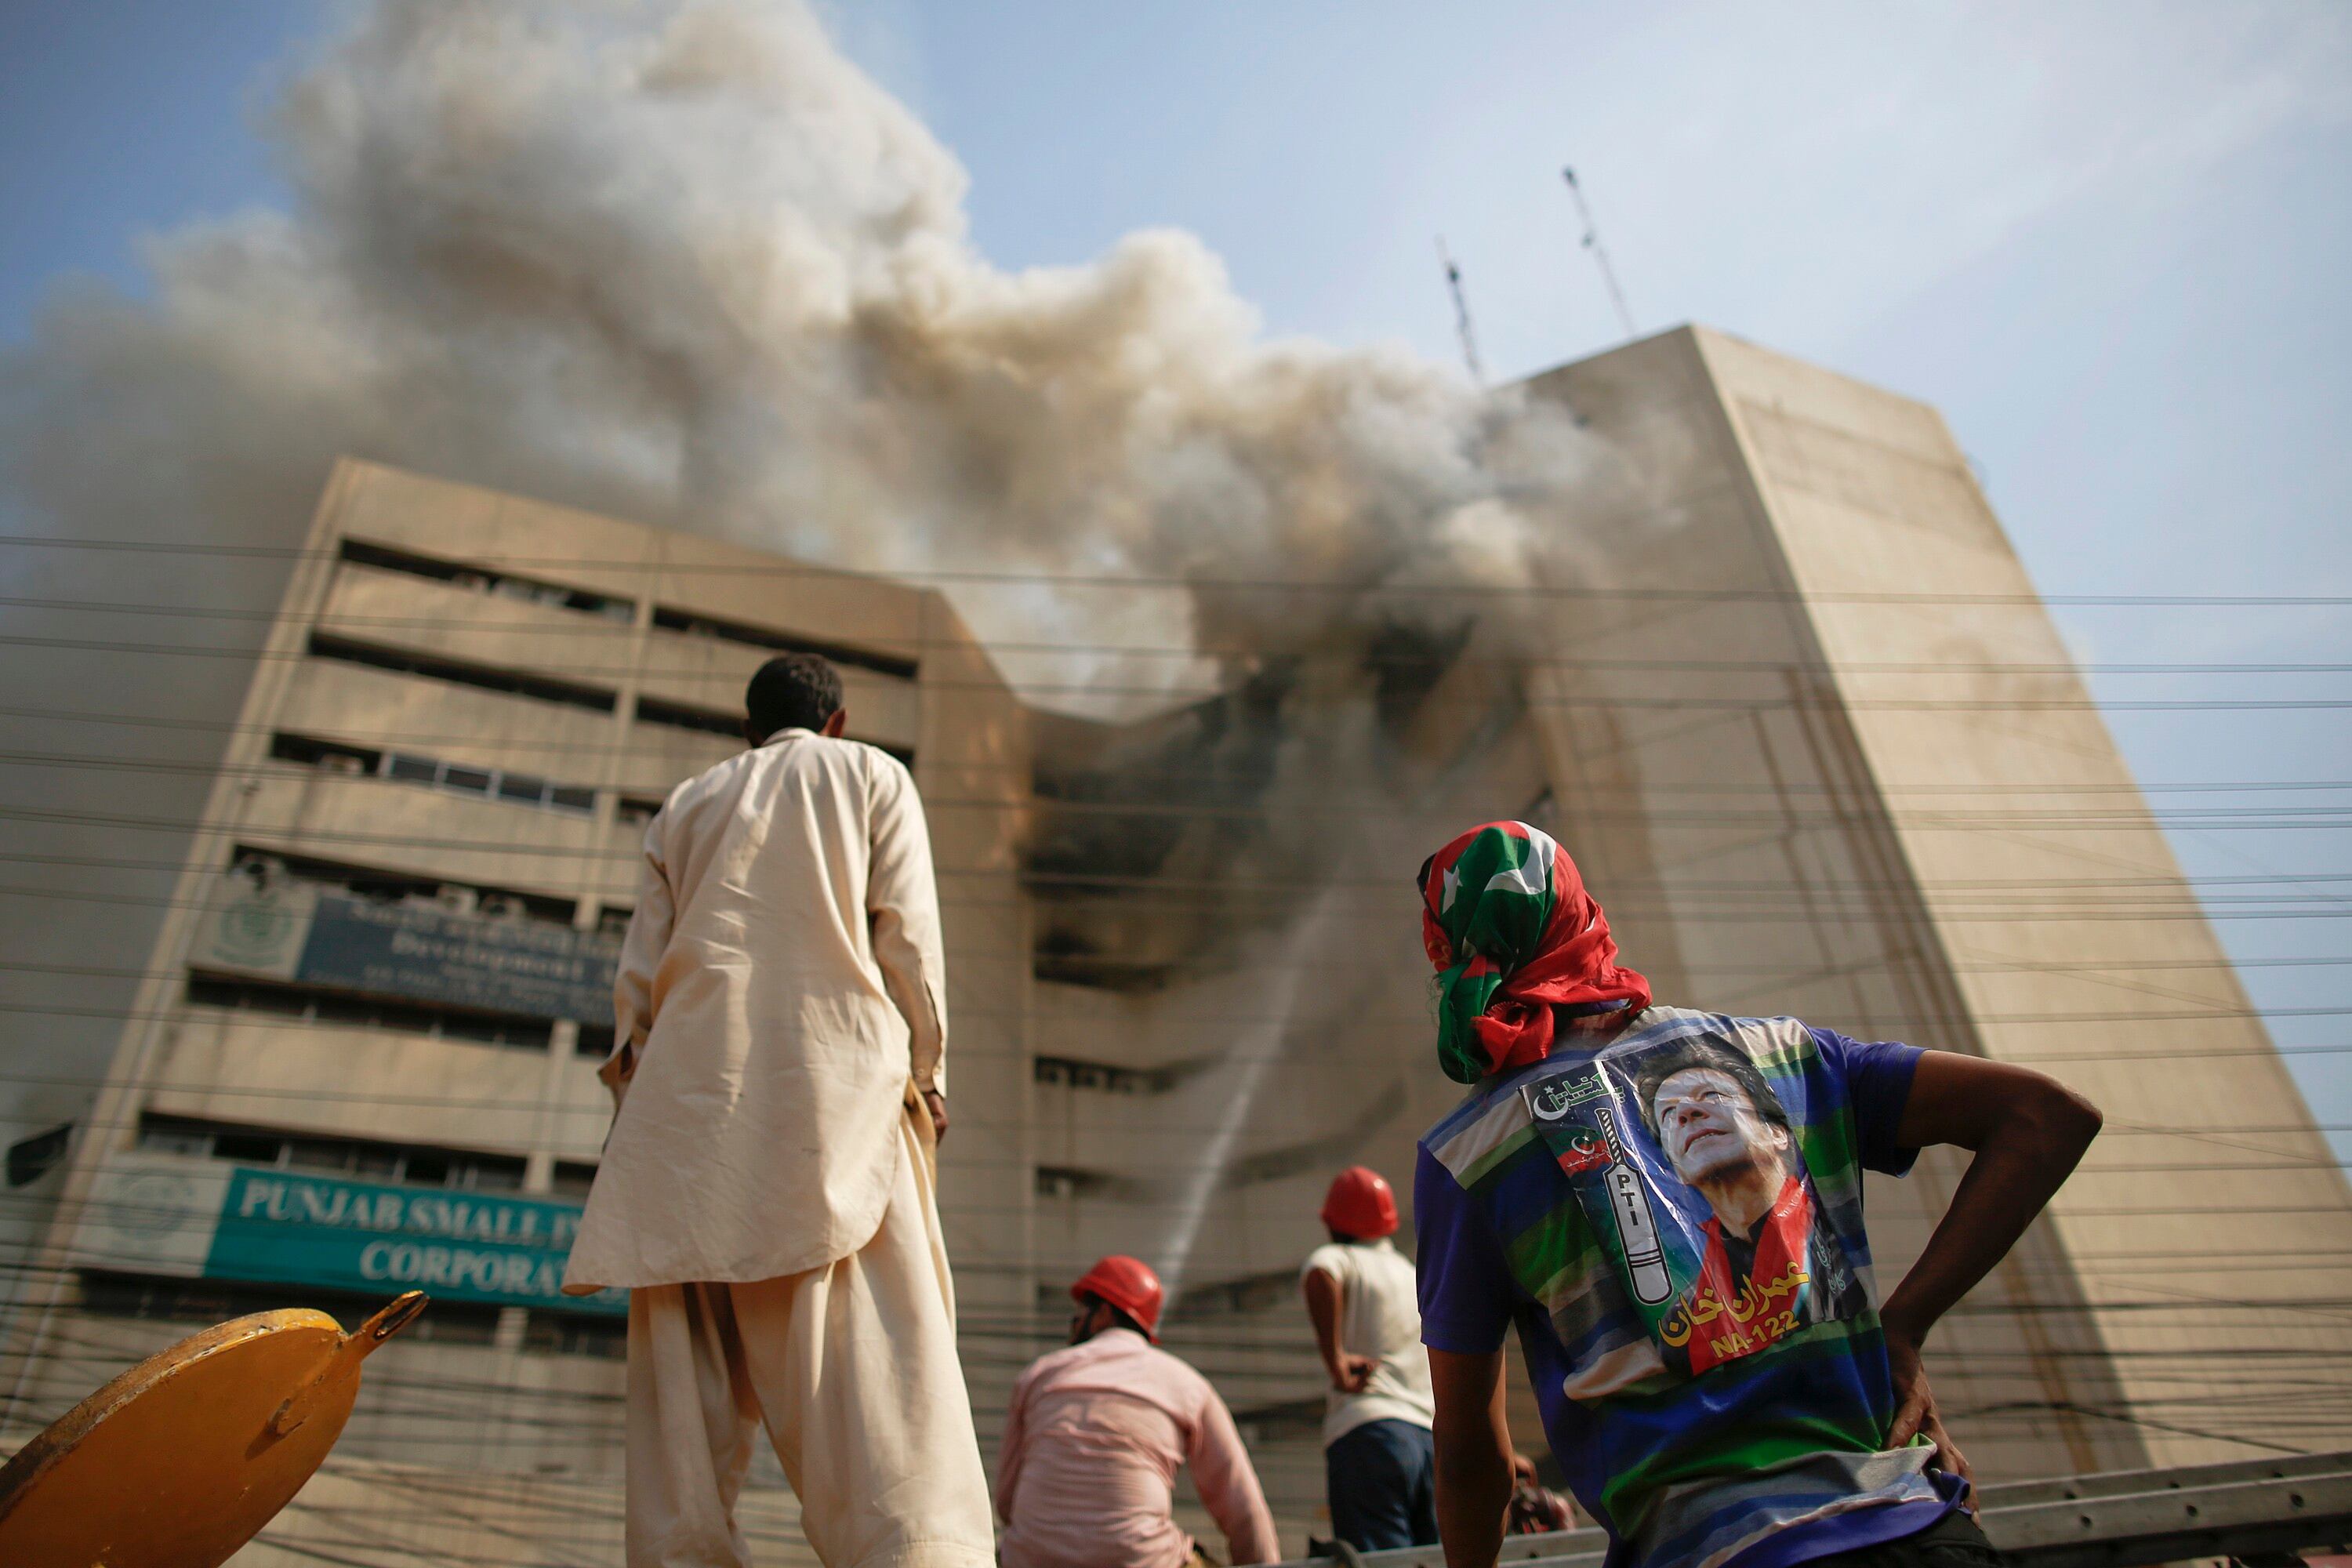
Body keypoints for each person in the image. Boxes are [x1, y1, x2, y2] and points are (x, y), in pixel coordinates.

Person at [1410, 821, 2103, 1568]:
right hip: (1918, 1529)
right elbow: (2045, 1116)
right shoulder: (1784, 1053)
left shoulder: (1468, 1157)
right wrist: (1901, 1326)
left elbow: (1468, 1453)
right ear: (1582, 912)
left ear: (1447, 949)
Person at [563, 653, 993, 1568]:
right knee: (882, 1404)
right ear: (835, 721)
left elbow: (636, 985)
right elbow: (906, 937)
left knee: (684, 1428)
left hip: (679, 1125)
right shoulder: (872, 772)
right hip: (832, 1101)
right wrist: (931, 1067)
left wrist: (634, 1113)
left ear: (748, 728)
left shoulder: (685, 806)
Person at [996, 1255, 1280, 1568]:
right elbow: (1243, 1508)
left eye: (1080, 1312)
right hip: (1142, 1560)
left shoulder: (1038, 1376)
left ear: (1103, 1313)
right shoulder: (1186, 1384)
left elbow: (1007, 1502)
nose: (1074, 1322)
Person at [1300, 1165, 1438, 1551]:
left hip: (1371, 1434)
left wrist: (1337, 1361)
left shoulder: (1338, 1257)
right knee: (1437, 1558)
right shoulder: (1411, 1275)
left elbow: (1320, 1274)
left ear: (1332, 1222)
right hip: (1429, 1441)